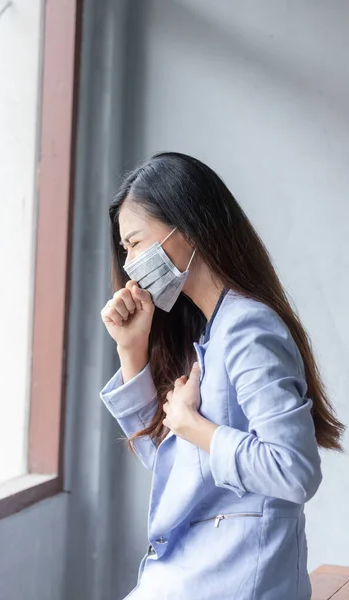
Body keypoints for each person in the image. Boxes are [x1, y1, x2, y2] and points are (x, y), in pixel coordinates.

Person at [99, 151, 344, 600]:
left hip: (234, 579)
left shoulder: (248, 326)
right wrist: (132, 351)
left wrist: (195, 426)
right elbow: (176, 468)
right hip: (201, 572)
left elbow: (294, 471)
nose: (130, 261)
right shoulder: (211, 329)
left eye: (134, 242)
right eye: (125, 249)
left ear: (187, 227)